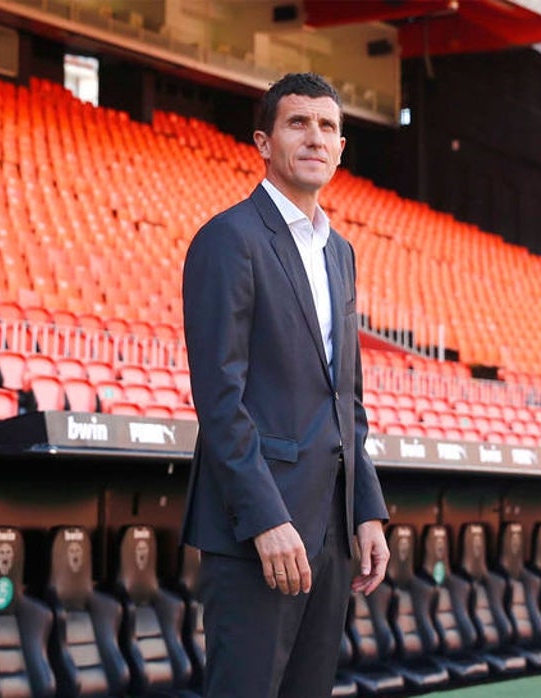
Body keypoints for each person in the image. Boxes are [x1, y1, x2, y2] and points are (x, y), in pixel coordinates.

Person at [181, 72, 390, 698]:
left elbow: (345, 398)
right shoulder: (229, 238)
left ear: (342, 147)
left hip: (330, 526)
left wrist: (368, 510)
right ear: (264, 143)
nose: (314, 137)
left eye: (327, 126)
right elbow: (220, 401)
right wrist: (265, 519)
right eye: (298, 123)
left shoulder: (340, 253)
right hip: (259, 530)